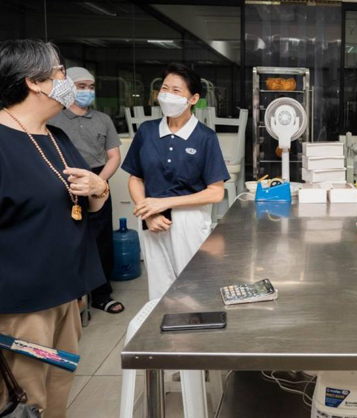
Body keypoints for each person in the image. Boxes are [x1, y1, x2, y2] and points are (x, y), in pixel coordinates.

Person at [0, 40, 108, 416]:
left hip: (66, 293)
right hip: (24, 305)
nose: (68, 81)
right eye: (61, 72)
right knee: (26, 399)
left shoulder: (56, 137)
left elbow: (87, 199)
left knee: (58, 388)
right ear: (34, 81)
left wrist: (100, 188)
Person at [122, 63, 229, 301]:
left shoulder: (205, 137)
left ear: (194, 99)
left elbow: (215, 193)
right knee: (159, 290)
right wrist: (148, 213)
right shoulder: (146, 131)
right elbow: (135, 178)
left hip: (189, 221)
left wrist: (164, 203)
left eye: (176, 90)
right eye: (164, 88)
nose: (168, 95)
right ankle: (167, 336)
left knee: (193, 288)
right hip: (151, 219)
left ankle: (195, 334)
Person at [49, 67, 124, 315]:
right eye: (81, 86)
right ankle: (71, 299)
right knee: (69, 240)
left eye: (91, 87)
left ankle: (102, 295)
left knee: (101, 239)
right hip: (65, 184)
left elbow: (114, 156)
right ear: (68, 86)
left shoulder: (103, 120)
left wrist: (98, 184)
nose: (87, 92)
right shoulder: (53, 120)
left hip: (98, 181)